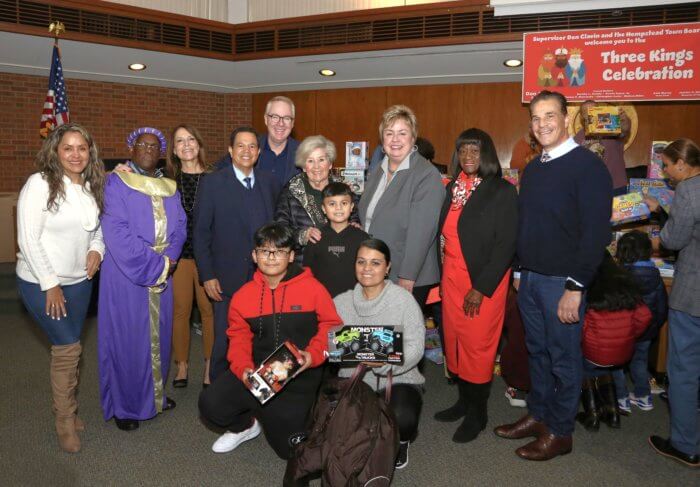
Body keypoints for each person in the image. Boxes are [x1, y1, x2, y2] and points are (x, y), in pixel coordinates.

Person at [494, 90, 612, 461]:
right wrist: (517, 269)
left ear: (565, 118)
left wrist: (576, 288)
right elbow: (526, 225)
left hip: (563, 283)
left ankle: (561, 431)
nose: (542, 124)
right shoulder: (534, 168)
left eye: (549, 116)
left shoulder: (588, 166)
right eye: (535, 117)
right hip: (529, 279)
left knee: (563, 359)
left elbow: (595, 234)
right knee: (537, 353)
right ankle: (540, 414)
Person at [198, 223, 342, 459]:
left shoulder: (314, 289)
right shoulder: (243, 296)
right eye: (265, 251)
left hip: (300, 374)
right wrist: (244, 370)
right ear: (255, 256)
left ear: (292, 255)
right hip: (258, 374)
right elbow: (238, 339)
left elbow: (333, 328)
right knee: (211, 404)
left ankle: (283, 413)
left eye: (280, 251)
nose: (272, 257)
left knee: (289, 451)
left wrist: (312, 356)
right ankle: (247, 425)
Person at [16, 123, 104, 452]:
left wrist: (97, 249)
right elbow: (28, 238)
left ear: (89, 152)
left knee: (72, 348)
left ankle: (69, 408)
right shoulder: (39, 184)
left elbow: (96, 230)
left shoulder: (92, 186)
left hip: (80, 282)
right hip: (40, 282)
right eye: (68, 147)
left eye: (82, 147)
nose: (75, 154)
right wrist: (50, 284)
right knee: (67, 348)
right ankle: (64, 420)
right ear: (55, 151)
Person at [98, 127, 187, 431]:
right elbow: (116, 232)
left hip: (164, 270)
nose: (148, 149)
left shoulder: (169, 186)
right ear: (131, 149)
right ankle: (127, 406)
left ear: (161, 152)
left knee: (160, 337)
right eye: (142, 144)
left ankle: (156, 396)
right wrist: (155, 267)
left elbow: (180, 228)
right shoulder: (116, 182)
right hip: (127, 274)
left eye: (154, 146)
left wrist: (170, 259)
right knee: (128, 339)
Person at [433, 128, 518, 443]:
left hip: (483, 280)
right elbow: (441, 238)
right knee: (455, 340)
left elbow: (506, 246)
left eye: (474, 150)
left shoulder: (502, 191)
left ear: (488, 154)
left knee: (477, 346)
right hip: (451, 276)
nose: (468, 157)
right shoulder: (452, 188)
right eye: (463, 151)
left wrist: (480, 287)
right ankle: (463, 401)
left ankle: (478, 413)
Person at [193, 126, 281, 384]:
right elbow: (201, 233)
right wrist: (207, 275)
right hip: (226, 279)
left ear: (258, 152)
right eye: (240, 145)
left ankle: (258, 389)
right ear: (231, 150)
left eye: (252, 146)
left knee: (262, 337)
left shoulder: (269, 182)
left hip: (265, 278)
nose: (246, 151)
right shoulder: (212, 183)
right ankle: (221, 388)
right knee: (226, 337)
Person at [333, 238, 426, 469]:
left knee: (401, 417)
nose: (367, 269)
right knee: (341, 426)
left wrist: (385, 364)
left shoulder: (404, 300)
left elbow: (416, 347)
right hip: (355, 377)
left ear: (388, 268)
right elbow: (331, 345)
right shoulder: (340, 302)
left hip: (399, 376)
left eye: (375, 263)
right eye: (361, 262)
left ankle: (402, 440)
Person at [358, 105, 444, 307]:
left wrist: (407, 276)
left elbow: (421, 233)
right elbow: (372, 215)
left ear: (413, 138)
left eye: (402, 133)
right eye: (389, 133)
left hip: (406, 275)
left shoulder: (426, 174)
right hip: (378, 269)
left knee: (400, 336)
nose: (395, 139)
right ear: (382, 139)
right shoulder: (378, 170)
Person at [648, 138, 700, 468]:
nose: (666, 172)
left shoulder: (687, 190)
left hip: (692, 294)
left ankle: (685, 444)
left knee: (683, 369)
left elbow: (673, 239)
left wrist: (648, 240)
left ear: (682, 163)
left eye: (667, 165)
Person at [576, 253, 651, 432]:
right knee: (604, 368)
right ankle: (613, 412)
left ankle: (592, 415)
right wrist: (630, 335)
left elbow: (580, 326)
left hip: (594, 353)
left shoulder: (587, 289)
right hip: (623, 353)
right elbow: (645, 316)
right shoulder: (627, 287)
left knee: (583, 370)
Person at [166, 124, 216, 389]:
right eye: (179, 141)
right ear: (174, 149)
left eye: (190, 139)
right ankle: (182, 366)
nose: (186, 145)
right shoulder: (165, 181)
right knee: (180, 311)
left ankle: (210, 366)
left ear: (199, 144)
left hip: (207, 256)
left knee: (209, 311)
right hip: (180, 257)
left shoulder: (215, 177)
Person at [275, 135, 359, 263]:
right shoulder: (290, 191)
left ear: (330, 163)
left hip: (342, 261)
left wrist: (354, 226)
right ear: (303, 166)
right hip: (304, 264)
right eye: (310, 161)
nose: (316, 166)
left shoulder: (344, 188)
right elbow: (280, 231)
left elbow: (355, 217)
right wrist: (303, 235)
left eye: (321, 160)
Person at [613, 231, 668, 414]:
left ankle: (621, 399)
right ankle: (643, 397)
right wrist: (653, 328)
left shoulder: (619, 277)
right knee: (640, 362)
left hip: (621, 331)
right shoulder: (656, 277)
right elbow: (662, 308)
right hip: (646, 331)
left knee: (617, 364)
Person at [302, 182, 369, 297]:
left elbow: (368, 274)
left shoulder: (362, 238)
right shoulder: (316, 237)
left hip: (354, 302)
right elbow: (307, 273)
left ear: (352, 207)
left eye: (344, 203)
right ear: (323, 208)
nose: (338, 208)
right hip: (323, 301)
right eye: (332, 204)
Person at [217, 96, 300, 186]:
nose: (280, 123)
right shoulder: (249, 146)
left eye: (286, 118)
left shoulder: (304, 152)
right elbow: (217, 172)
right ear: (266, 119)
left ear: (292, 123)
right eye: (275, 117)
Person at [574, 100, 631, 195]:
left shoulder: (612, 128)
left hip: (616, 187)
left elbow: (625, 129)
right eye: (587, 111)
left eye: (594, 109)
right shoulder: (577, 139)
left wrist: (624, 120)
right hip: (591, 188)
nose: (591, 112)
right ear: (581, 116)